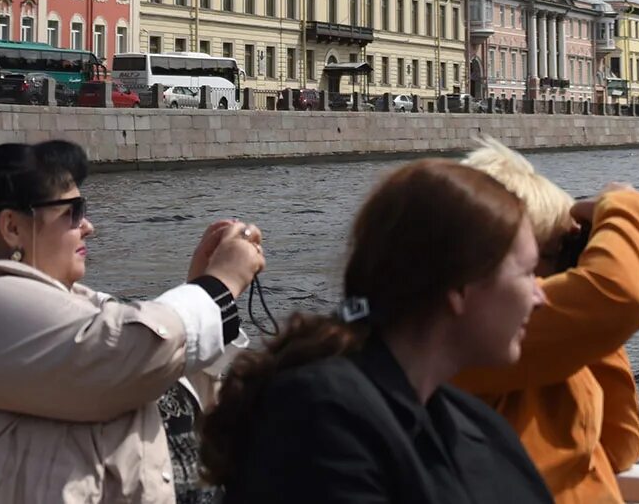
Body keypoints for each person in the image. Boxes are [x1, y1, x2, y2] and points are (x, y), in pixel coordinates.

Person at [0, 141, 265, 504]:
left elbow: (155, 371)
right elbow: (126, 359)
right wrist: (217, 285)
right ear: (12, 227)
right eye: (73, 210)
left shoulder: (77, 308)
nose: (88, 226)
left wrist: (202, 291)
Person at [200, 159, 553, 504]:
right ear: (460, 288)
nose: (542, 297)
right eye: (527, 273)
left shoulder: (476, 422)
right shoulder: (319, 420)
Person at [453, 138, 639, 504]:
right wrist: (627, 206)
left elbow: (621, 444)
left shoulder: (546, 357)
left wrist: (588, 334)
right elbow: (620, 298)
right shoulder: (469, 337)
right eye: (556, 252)